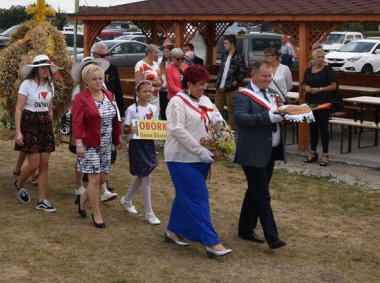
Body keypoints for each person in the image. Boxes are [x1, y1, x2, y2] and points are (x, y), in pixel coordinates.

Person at [165, 64, 231, 257]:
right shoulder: (177, 102)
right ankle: (211, 241)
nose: (204, 87)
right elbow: (177, 130)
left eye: (205, 84)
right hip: (181, 158)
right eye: (200, 84)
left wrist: (221, 127)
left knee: (185, 196)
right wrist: (198, 149)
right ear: (189, 84)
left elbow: (216, 120)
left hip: (202, 159)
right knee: (198, 197)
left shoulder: (206, 101)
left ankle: (173, 230)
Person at [233, 61, 295, 249]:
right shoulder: (242, 96)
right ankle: (272, 237)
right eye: (264, 76)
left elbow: (281, 115)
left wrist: (293, 115)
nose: (268, 80)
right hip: (252, 152)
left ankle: (245, 228)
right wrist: (267, 117)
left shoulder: (274, 94)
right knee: (262, 194)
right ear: (253, 75)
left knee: (255, 190)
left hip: (270, 150)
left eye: (270, 76)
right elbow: (241, 119)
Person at [72, 63, 122, 229]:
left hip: (106, 144)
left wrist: (118, 137)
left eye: (100, 78)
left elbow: (115, 118)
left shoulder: (109, 95)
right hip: (89, 144)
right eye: (94, 79)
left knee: (102, 178)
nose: (98, 81)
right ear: (86, 81)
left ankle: (82, 200)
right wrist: (79, 144)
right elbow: (77, 123)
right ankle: (96, 212)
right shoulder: (81, 98)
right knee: (93, 179)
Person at [12, 54, 59, 213]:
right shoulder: (26, 84)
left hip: (45, 124)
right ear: (36, 69)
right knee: (34, 164)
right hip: (30, 123)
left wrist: (51, 126)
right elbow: (18, 108)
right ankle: (19, 184)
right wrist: (18, 132)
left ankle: (42, 200)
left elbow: (50, 108)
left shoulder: (50, 85)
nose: (46, 70)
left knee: (45, 163)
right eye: (43, 67)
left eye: (48, 67)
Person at [120, 80, 161, 225]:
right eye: (145, 91)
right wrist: (129, 129)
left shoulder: (153, 109)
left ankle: (127, 199)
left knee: (143, 175)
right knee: (146, 175)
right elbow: (125, 128)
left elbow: (155, 126)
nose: (148, 94)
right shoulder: (132, 109)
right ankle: (149, 212)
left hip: (148, 143)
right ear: (137, 93)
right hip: (137, 144)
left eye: (150, 91)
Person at [90, 41, 124, 195]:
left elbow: (118, 92)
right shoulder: (88, 70)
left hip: (109, 111)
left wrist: (120, 114)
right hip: (92, 114)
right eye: (103, 55)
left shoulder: (113, 69)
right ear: (94, 55)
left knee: (107, 146)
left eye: (107, 55)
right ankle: (95, 180)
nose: (106, 58)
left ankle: (101, 180)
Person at [301, 48, 338, 166]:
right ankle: (313, 152)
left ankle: (325, 154)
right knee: (312, 128)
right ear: (313, 58)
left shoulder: (328, 70)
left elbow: (334, 86)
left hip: (323, 102)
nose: (321, 59)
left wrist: (321, 89)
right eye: (319, 57)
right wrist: (306, 88)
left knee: (323, 128)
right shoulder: (308, 70)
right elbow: (304, 83)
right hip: (311, 102)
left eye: (323, 57)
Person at [214, 35, 246, 129]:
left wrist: (236, 82)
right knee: (216, 109)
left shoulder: (239, 57)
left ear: (232, 44)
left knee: (231, 110)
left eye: (226, 43)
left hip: (231, 88)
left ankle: (231, 129)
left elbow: (243, 72)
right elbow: (221, 70)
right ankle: (216, 128)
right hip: (220, 85)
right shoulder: (224, 55)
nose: (224, 45)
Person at [161, 47, 185, 117]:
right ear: (172, 58)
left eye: (182, 59)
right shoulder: (168, 69)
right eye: (178, 59)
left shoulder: (185, 66)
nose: (180, 61)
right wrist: (183, 92)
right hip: (174, 97)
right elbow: (171, 86)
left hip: (184, 97)